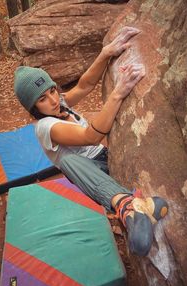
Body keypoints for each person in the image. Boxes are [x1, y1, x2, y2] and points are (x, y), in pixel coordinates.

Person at [14, 26, 168, 256]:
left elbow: (85, 84)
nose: (53, 100)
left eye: (52, 91)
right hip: (90, 173)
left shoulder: (58, 105)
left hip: (104, 160)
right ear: (33, 107)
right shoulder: (47, 127)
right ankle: (127, 208)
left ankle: (143, 211)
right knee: (68, 161)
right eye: (42, 99)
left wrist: (106, 52)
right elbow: (91, 136)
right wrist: (118, 93)